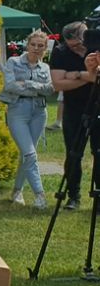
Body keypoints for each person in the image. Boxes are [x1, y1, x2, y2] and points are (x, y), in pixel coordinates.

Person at [0, 29, 55, 209]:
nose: (36, 48)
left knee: (27, 155)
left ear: (45, 48)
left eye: (40, 46)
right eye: (33, 45)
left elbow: (50, 89)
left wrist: (28, 84)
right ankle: (40, 195)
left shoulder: (45, 67)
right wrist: (38, 88)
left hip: (39, 112)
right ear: (27, 45)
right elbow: (10, 86)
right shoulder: (14, 62)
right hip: (18, 110)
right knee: (30, 154)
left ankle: (17, 190)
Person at [49, 21, 100, 211]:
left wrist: (75, 75)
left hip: (97, 106)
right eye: (71, 46)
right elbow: (58, 84)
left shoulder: (96, 48)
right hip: (74, 108)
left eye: (79, 45)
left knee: (99, 152)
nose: (76, 49)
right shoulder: (60, 52)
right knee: (73, 153)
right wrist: (87, 76)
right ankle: (73, 196)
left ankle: (99, 197)